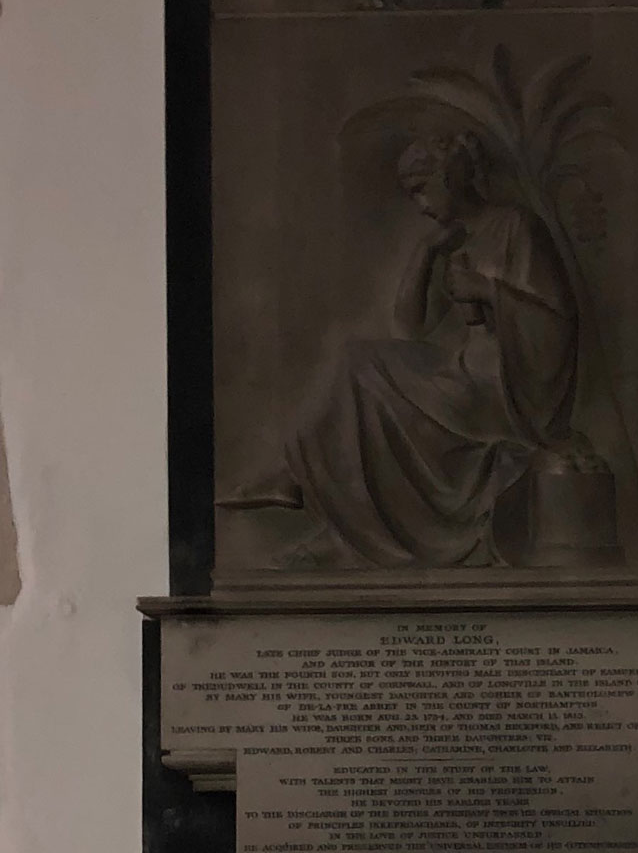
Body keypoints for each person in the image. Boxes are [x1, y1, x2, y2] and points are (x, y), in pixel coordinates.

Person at [218, 133, 582, 568]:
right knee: (362, 374)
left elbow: (559, 322)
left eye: (422, 188)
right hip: (463, 374)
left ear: (452, 178)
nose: (420, 204)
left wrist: (488, 290)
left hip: (505, 387)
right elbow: (409, 330)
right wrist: (425, 255)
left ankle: (294, 478)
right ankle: (318, 501)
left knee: (361, 366)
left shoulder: (515, 226)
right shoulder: (453, 243)